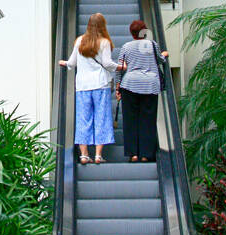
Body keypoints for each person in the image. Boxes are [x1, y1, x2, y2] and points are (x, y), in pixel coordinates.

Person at [59, 13, 117, 164]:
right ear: (103, 25)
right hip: (100, 85)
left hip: (83, 87)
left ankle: (84, 154)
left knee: (83, 119)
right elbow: (108, 63)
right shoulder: (104, 42)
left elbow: (72, 63)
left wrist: (64, 63)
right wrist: (120, 66)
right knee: (102, 118)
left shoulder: (79, 40)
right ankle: (98, 155)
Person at [115, 19, 168, 162]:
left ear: (131, 33)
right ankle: (146, 154)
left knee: (130, 120)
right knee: (148, 120)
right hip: (150, 85)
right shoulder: (152, 44)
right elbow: (160, 60)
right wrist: (164, 55)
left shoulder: (126, 47)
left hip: (130, 84)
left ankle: (133, 154)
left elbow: (119, 68)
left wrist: (117, 86)